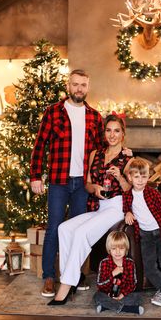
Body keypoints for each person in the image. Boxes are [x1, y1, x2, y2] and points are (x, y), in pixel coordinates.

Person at [30, 69, 104, 297]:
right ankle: (49, 277)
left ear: (88, 87)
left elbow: (101, 152)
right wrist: (35, 176)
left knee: (79, 231)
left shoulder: (95, 117)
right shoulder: (53, 113)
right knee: (54, 229)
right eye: (75, 84)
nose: (79, 88)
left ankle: (76, 274)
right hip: (59, 182)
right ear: (68, 86)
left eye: (83, 84)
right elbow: (39, 147)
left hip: (83, 185)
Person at [47, 114, 134, 306]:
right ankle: (74, 277)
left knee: (80, 233)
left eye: (117, 131)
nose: (112, 135)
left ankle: (65, 286)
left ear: (123, 134)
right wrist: (94, 189)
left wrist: (120, 177)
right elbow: (87, 183)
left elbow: (130, 189)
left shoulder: (128, 158)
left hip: (117, 207)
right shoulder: (96, 154)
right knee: (64, 228)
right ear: (104, 133)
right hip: (99, 207)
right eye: (109, 130)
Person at [123, 157, 161, 307]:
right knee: (149, 266)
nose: (140, 180)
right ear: (130, 177)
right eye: (137, 177)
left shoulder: (153, 193)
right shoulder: (127, 195)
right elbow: (126, 207)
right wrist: (127, 212)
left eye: (144, 176)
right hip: (145, 236)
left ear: (148, 177)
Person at [93, 230, 144, 315]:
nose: (117, 252)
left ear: (126, 249)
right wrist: (112, 274)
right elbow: (100, 284)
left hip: (124, 295)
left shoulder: (130, 263)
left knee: (138, 297)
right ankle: (128, 309)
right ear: (109, 249)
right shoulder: (104, 262)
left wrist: (122, 294)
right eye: (114, 248)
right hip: (107, 294)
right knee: (97, 296)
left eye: (121, 248)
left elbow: (133, 283)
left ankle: (106, 306)